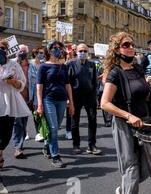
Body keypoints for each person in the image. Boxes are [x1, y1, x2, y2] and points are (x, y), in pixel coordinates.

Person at [101, 32, 151, 194]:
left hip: (144, 122)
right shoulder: (115, 73)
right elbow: (104, 104)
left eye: (132, 44)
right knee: (131, 165)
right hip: (124, 125)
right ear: (116, 49)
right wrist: (128, 116)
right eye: (126, 45)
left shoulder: (137, 69)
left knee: (146, 166)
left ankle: (124, 190)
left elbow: (144, 94)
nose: (131, 47)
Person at [37, 40, 75, 168]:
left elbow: (68, 86)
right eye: (54, 47)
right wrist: (39, 104)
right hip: (49, 100)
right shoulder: (43, 67)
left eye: (59, 47)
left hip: (62, 100)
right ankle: (56, 156)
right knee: (53, 128)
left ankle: (47, 145)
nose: (57, 49)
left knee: (56, 127)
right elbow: (39, 87)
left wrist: (72, 103)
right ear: (48, 50)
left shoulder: (63, 67)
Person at [0, 40, 32, 168]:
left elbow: (21, 84)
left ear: (7, 50)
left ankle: (1, 150)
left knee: (6, 132)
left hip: (9, 101)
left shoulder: (14, 65)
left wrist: (13, 82)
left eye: (2, 48)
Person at [67, 43, 101, 155]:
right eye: (81, 51)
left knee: (93, 120)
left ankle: (92, 145)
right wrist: (68, 99)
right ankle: (76, 145)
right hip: (75, 96)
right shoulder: (70, 64)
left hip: (89, 96)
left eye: (85, 51)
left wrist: (96, 97)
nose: (83, 53)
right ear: (76, 51)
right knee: (74, 122)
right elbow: (67, 83)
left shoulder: (92, 65)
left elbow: (95, 82)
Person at [11, 44, 32, 159]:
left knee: (23, 123)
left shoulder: (31, 65)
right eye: (20, 51)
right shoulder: (12, 64)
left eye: (24, 51)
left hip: (28, 98)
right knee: (17, 122)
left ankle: (20, 142)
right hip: (16, 98)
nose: (22, 53)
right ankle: (17, 147)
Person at [29, 46, 45, 142]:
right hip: (30, 91)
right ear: (35, 53)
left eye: (43, 53)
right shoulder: (30, 64)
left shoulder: (43, 64)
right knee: (25, 115)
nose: (41, 55)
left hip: (41, 92)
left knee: (38, 113)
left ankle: (39, 132)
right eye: (40, 52)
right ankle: (24, 133)